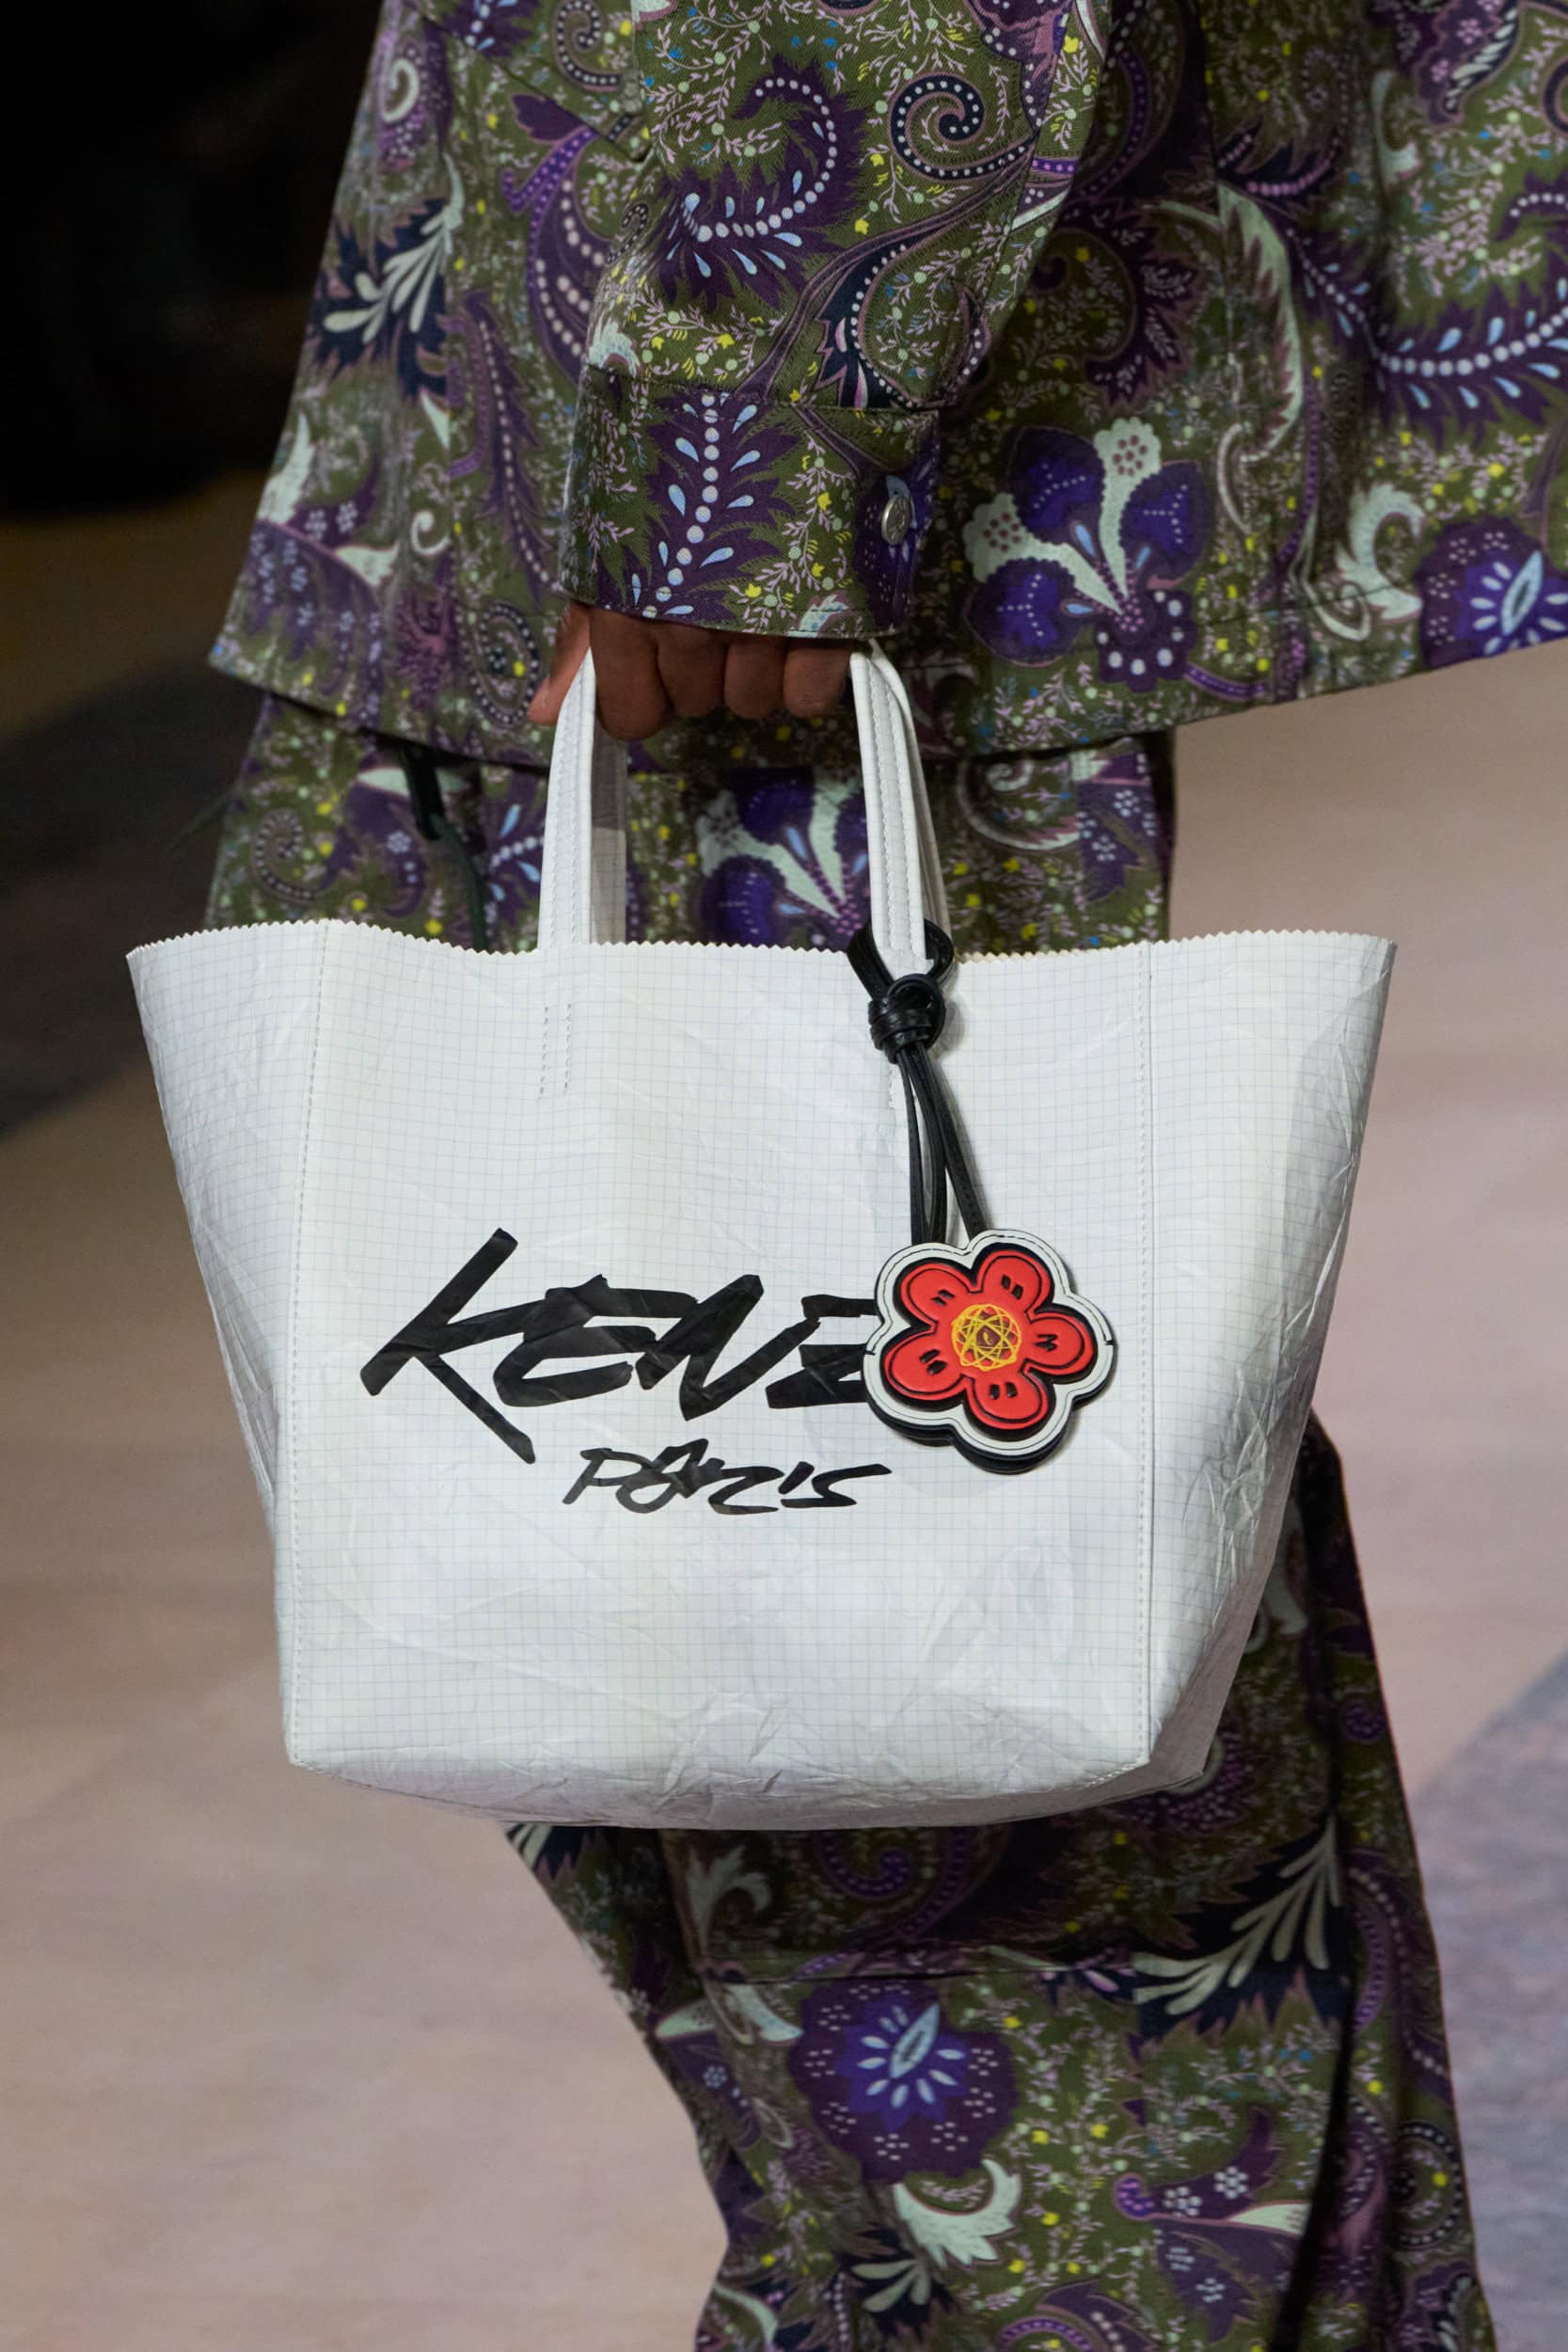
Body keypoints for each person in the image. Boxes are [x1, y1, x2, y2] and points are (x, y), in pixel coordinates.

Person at [204, 0, 1568, 2337]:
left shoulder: (733, 425)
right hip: (576, 379)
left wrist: (731, 412)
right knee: (880, 1706)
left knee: (956, 1780)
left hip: (777, 383)